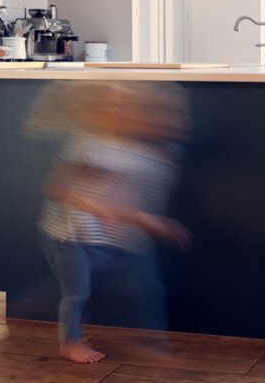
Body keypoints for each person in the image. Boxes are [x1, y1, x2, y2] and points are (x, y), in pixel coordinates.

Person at [33, 82, 192, 363]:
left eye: (126, 108)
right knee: (77, 290)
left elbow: (123, 199)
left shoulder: (126, 147)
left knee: (140, 285)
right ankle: (69, 342)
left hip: (101, 237)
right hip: (68, 235)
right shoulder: (84, 144)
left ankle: (148, 342)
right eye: (114, 108)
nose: (123, 113)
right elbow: (55, 187)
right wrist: (101, 209)